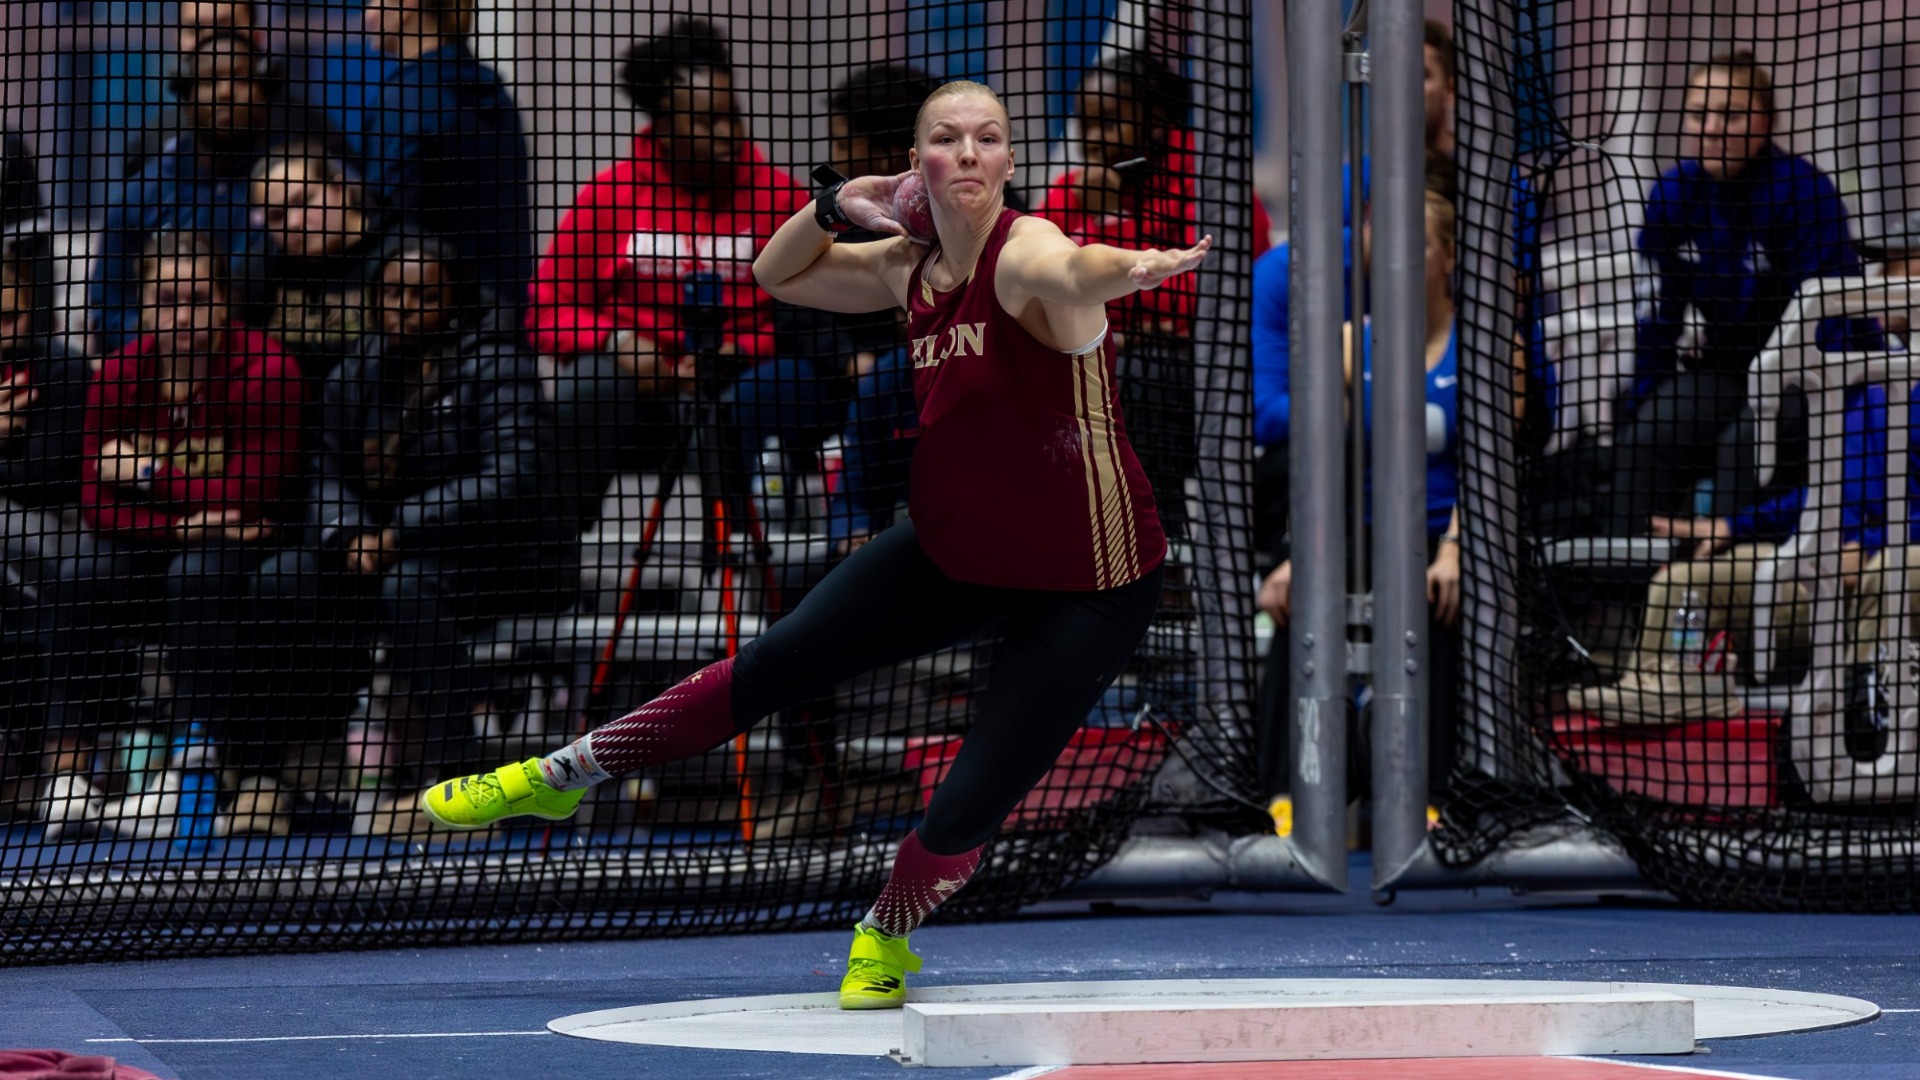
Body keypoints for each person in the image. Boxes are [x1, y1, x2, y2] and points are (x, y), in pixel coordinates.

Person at [418, 78, 1209, 1009]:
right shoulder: (903, 267)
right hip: (956, 550)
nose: (967, 152)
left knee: (967, 805)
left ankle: (886, 931)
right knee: (772, 663)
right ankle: (560, 775)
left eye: (987, 139)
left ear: (1006, 164)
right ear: (917, 164)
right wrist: (839, 199)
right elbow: (775, 272)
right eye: (945, 139)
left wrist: (1134, 267)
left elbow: (1072, 274)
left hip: (1093, 578)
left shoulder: (1027, 251)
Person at [248, 235, 574, 823]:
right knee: (281, 580)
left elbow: (512, 479)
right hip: (377, 551)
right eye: (392, 293)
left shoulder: (497, 363)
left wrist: (399, 531)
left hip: (496, 558)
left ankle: (464, 790)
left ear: (453, 300)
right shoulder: (359, 368)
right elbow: (323, 468)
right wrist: (347, 534)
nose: (403, 306)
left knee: (409, 589)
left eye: (422, 295)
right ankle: (278, 773)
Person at [37, 232, 302, 832]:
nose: (181, 316)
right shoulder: (120, 373)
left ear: (226, 301)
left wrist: (149, 473)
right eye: (166, 299)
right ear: (144, 304)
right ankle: (70, 773)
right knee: (77, 574)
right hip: (165, 540)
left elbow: (248, 496)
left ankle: (191, 763)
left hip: (244, 550)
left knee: (196, 575)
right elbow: (93, 502)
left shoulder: (269, 369)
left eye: (198, 298)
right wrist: (183, 524)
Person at [527, 18, 806, 495]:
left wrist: (740, 353)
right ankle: (558, 545)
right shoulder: (607, 197)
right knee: (585, 386)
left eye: (732, 116)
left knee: (769, 393)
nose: (729, 135)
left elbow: (810, 321)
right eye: (705, 122)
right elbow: (544, 313)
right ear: (662, 127)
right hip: (635, 391)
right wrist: (618, 342)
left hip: (733, 383)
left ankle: (734, 556)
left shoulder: (783, 200)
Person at [1256, 188, 1463, 804]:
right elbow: (1321, 461)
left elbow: (1491, 467)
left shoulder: (1482, 345)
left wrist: (1454, 548)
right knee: (1299, 605)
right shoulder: (1350, 343)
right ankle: (1286, 799)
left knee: (1442, 603)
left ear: (1445, 255)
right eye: (1382, 238)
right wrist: (1299, 553)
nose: (1393, 254)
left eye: (1414, 242)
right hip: (1361, 532)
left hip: (1438, 537)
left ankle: (1434, 799)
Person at [1603, 51, 1864, 536]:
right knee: (1648, 433)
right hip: (1730, 369)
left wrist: (1781, 388)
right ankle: (1630, 594)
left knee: (1746, 441)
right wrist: (1642, 398)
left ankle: (1725, 593)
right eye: (1699, 114)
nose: (1712, 128)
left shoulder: (1804, 194)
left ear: (1766, 123)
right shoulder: (1674, 194)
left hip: (1814, 375)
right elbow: (1657, 320)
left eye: (1731, 115)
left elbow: (1833, 323)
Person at [90, 29, 347, 353]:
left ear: (265, 91)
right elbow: (108, 314)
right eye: (210, 81)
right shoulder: (142, 193)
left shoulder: (294, 192)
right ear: (186, 95)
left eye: (240, 79)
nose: (225, 92)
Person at [1035, 50, 1198, 538]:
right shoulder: (1070, 193)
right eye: (1085, 123)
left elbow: (1192, 296)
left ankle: (1154, 543)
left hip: (1178, 369)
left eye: (1109, 123)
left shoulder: (1201, 183)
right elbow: (1034, 288)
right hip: (1096, 355)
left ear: (1155, 123)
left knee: (1138, 386)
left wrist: (1098, 303)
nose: (1091, 139)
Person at [358, 0, 535, 312]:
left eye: (373, 1)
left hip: (431, 321)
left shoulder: (404, 100)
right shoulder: (496, 94)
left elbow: (389, 220)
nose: (368, 14)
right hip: (504, 315)